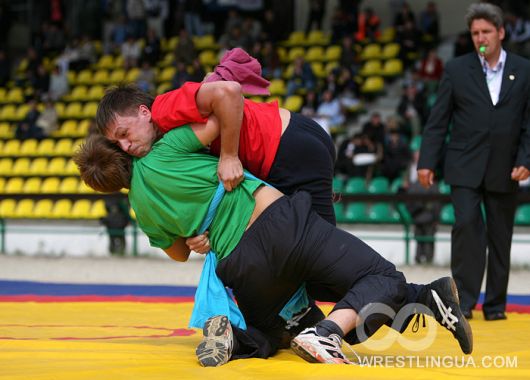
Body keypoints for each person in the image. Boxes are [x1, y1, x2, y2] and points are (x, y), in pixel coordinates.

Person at [74, 123, 473, 367]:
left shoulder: (140, 208)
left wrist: (194, 233)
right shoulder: (166, 149)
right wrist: (228, 154)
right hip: (279, 227)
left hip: (242, 268)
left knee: (285, 330)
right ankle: (331, 331)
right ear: (119, 149)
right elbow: (224, 107)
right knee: (381, 278)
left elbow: (181, 253)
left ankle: (243, 337)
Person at [417, 3, 530, 321]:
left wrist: (526, 159)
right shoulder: (456, 69)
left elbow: (528, 123)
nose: (481, 38)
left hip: (506, 166)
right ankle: (463, 301)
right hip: (463, 164)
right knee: (466, 226)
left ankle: (495, 305)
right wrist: (427, 161)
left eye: (486, 32)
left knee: (500, 234)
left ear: (501, 33)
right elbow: (438, 120)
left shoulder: (523, 69)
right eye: (475, 33)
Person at [94, 80, 336, 226]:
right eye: (117, 143)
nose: (125, 147)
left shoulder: (165, 109)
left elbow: (229, 91)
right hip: (289, 148)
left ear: (144, 112)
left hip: (287, 147)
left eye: (124, 133)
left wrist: (229, 156)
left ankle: (368, 296)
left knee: (321, 262)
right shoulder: (162, 140)